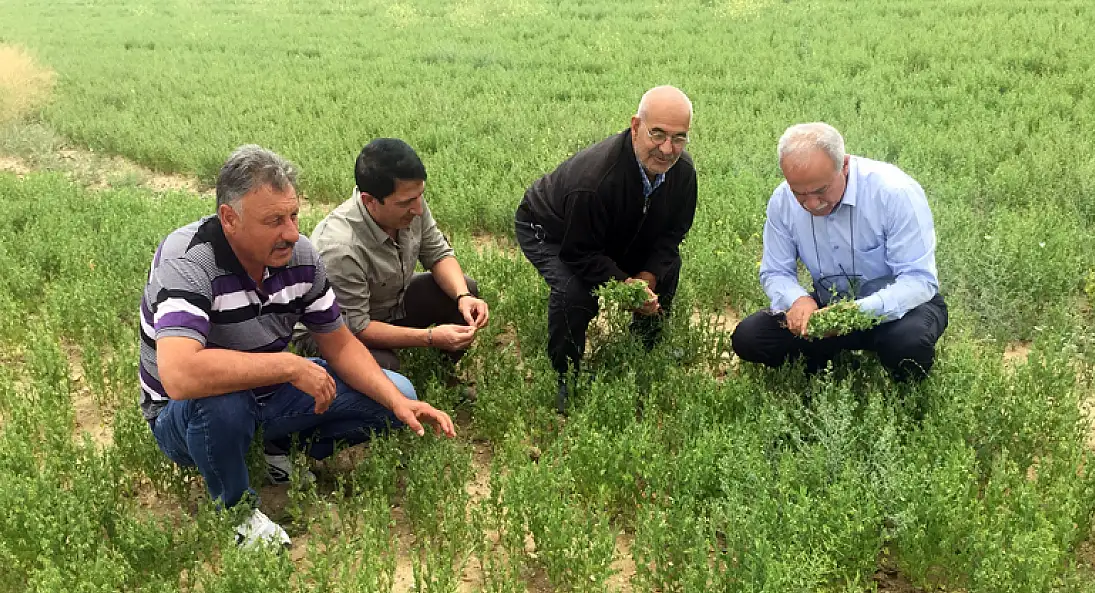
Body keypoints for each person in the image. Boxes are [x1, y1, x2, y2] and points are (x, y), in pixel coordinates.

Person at [140, 145, 455, 548]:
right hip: (182, 416)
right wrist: (288, 367)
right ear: (229, 219)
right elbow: (181, 375)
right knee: (221, 399)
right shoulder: (189, 261)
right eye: (274, 220)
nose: (290, 232)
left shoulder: (300, 256)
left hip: (267, 397)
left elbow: (340, 343)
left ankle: (278, 452)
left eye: (293, 216)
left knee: (397, 392)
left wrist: (397, 403)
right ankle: (236, 511)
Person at [515, 85, 697, 411]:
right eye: (658, 134)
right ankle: (566, 375)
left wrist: (648, 276)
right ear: (635, 126)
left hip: (611, 229)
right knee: (575, 293)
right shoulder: (596, 181)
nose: (668, 149)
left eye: (679, 137)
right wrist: (625, 287)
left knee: (668, 266)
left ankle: (645, 346)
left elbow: (672, 234)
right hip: (551, 229)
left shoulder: (682, 172)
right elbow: (579, 253)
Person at [731, 122, 948, 381]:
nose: (811, 204)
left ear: (844, 165)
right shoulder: (782, 201)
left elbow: (918, 281)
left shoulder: (893, 193)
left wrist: (855, 315)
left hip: (898, 309)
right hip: (827, 307)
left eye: (821, 190)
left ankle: (905, 389)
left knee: (907, 344)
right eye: (799, 193)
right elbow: (776, 272)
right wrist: (798, 300)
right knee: (750, 338)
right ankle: (830, 362)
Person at [292, 138, 489, 375]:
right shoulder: (339, 248)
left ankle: (439, 376)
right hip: (333, 332)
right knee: (385, 367)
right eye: (406, 202)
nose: (417, 209)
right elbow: (357, 328)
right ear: (369, 201)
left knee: (463, 290)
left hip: (389, 305)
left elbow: (437, 253)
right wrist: (430, 337)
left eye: (419, 196)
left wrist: (463, 296)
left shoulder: (411, 203)